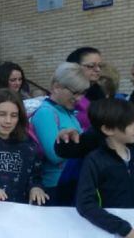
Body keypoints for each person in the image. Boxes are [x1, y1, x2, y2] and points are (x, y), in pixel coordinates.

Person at [76, 98, 134, 238]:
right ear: (108, 129)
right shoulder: (95, 161)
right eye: (131, 123)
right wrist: (123, 229)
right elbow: (85, 204)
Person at [29, 62, 89, 202]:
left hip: (72, 183)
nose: (79, 98)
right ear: (56, 87)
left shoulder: (69, 113)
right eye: (75, 92)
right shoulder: (45, 113)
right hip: (54, 188)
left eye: (83, 93)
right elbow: (55, 154)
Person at [67, 46, 105, 128]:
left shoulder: (98, 91)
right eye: (91, 66)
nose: (98, 69)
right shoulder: (66, 94)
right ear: (74, 67)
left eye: (100, 66)